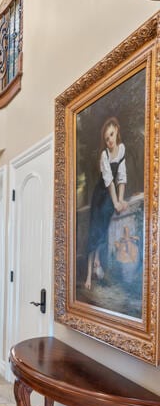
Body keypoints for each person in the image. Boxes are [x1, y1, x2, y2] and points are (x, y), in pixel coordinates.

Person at [84, 116, 128, 290]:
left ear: (116, 130)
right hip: (101, 195)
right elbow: (109, 181)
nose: (109, 140)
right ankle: (89, 276)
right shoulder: (104, 155)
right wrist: (116, 201)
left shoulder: (122, 149)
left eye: (111, 135)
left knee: (104, 229)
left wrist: (121, 200)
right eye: (106, 138)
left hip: (111, 196)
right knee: (95, 232)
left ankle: (97, 262)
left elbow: (121, 178)